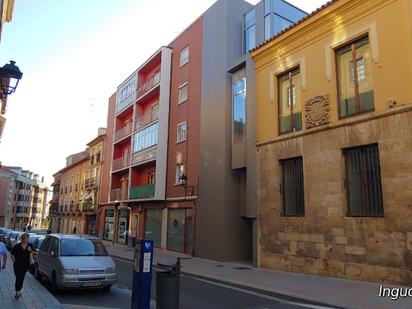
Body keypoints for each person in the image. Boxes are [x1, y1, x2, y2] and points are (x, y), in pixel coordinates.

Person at [11, 232, 33, 299]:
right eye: (25, 238)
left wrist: (31, 250)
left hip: (25, 265)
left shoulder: (30, 245)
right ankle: (18, 291)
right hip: (17, 265)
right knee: (18, 277)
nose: (26, 240)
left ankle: (17, 291)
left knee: (21, 277)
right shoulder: (17, 246)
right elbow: (12, 253)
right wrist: (13, 259)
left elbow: (33, 253)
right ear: (22, 239)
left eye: (27, 238)